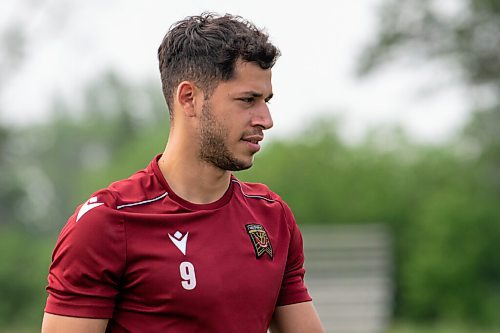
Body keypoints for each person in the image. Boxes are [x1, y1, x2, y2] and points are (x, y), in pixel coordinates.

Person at [41, 12, 324, 333]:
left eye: (266, 100)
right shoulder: (106, 222)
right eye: (248, 100)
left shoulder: (272, 217)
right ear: (189, 98)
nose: (265, 119)